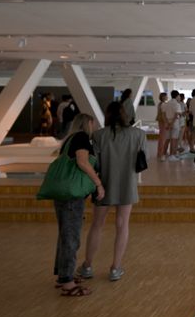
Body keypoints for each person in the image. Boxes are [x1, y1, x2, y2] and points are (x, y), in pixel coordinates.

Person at [78, 102, 145, 283]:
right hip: (127, 185)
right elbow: (141, 160)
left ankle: (88, 265)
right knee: (122, 225)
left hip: (104, 185)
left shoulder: (99, 135)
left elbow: (95, 163)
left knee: (97, 225)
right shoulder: (139, 134)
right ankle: (115, 268)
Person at [52, 113, 104, 297]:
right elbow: (82, 162)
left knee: (65, 235)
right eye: (93, 123)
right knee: (71, 237)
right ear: (88, 123)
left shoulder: (69, 139)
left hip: (62, 193)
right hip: (71, 195)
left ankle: (64, 275)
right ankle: (67, 282)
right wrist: (98, 183)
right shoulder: (82, 138)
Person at [164, 90, 182, 161]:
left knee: (168, 139)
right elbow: (177, 114)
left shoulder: (167, 103)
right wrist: (171, 124)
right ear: (177, 96)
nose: (179, 97)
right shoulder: (177, 104)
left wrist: (167, 123)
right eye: (179, 96)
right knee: (174, 139)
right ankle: (172, 155)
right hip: (174, 123)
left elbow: (164, 114)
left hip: (168, 122)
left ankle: (164, 155)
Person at [156, 92, 169, 161]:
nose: (167, 97)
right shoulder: (163, 104)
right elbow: (164, 115)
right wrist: (166, 123)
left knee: (162, 137)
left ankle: (160, 152)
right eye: (166, 96)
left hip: (161, 121)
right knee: (163, 137)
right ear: (163, 97)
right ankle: (161, 152)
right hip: (163, 121)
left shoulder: (160, 104)